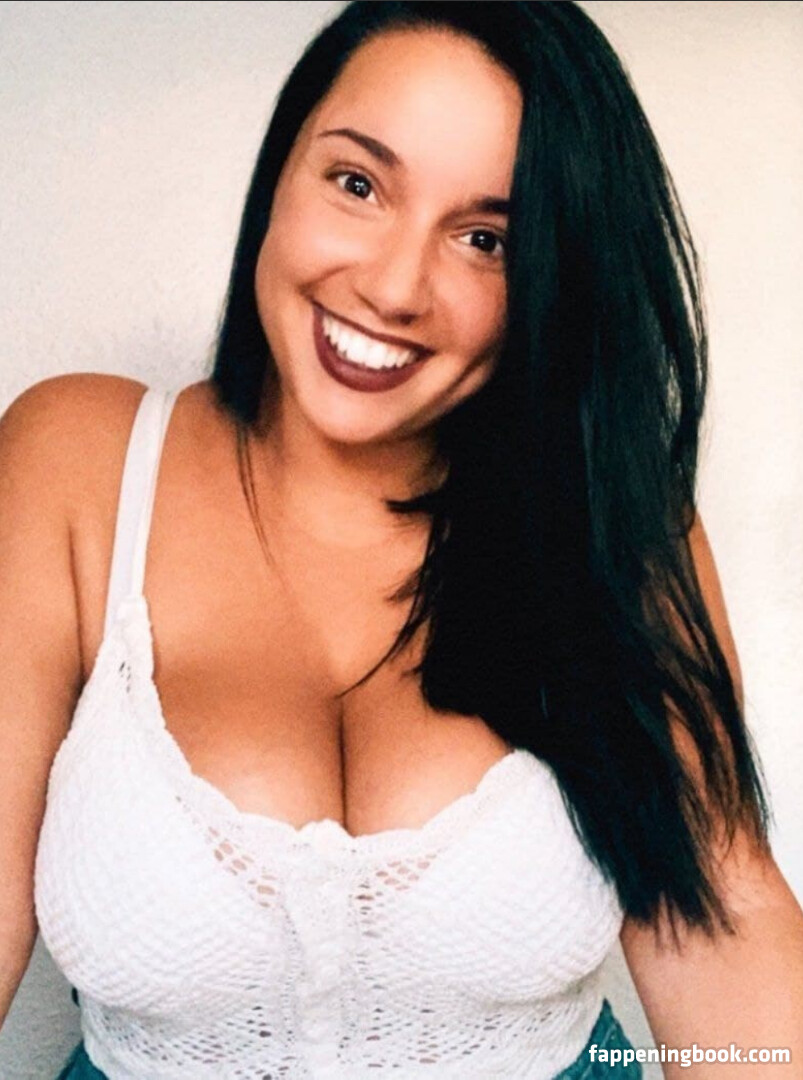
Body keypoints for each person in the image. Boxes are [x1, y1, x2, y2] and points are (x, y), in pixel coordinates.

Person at [1, 1, 801, 1077]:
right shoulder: (77, 461)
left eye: (485, 240)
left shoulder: (613, 516)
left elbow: (721, 923)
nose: (391, 287)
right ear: (279, 174)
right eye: (357, 183)